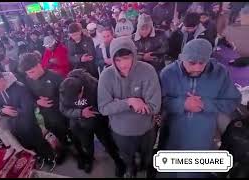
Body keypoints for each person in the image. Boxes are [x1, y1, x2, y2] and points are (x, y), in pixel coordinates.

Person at [159, 39, 241, 178]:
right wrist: (182, 104)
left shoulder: (220, 73)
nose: (197, 68)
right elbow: (160, 102)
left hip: (201, 138)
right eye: (192, 63)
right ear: (182, 58)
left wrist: (205, 104)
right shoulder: (168, 73)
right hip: (173, 135)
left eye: (202, 63)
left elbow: (233, 100)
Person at [97, 37, 161, 178]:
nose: (122, 64)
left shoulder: (148, 70)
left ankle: (147, 167)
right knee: (127, 156)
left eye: (126, 58)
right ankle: (130, 170)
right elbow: (103, 108)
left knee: (148, 154)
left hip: (146, 128)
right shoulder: (106, 76)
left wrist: (116, 104)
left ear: (133, 54)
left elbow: (154, 106)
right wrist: (130, 102)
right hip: (121, 131)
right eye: (117, 60)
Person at [0, 69, 57, 171]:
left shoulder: (19, 87)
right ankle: (40, 156)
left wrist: (12, 111)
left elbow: (28, 107)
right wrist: (3, 111)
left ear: (2, 80)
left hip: (28, 123)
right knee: (26, 144)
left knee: (38, 142)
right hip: (13, 125)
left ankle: (50, 157)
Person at [60, 69, 126, 176]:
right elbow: (63, 109)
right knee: (87, 144)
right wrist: (80, 112)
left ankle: (118, 162)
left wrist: (93, 112)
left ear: (81, 90)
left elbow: (105, 104)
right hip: (79, 124)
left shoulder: (95, 86)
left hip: (98, 122)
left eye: (76, 97)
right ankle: (89, 160)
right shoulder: (65, 88)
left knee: (108, 144)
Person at [18, 53, 70, 164]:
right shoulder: (29, 79)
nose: (30, 76)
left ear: (38, 65)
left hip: (62, 115)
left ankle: (80, 153)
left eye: (31, 72)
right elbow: (29, 96)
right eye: (28, 74)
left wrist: (55, 102)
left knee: (72, 135)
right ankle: (63, 150)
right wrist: (37, 101)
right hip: (47, 116)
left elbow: (68, 97)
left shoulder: (56, 77)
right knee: (57, 136)